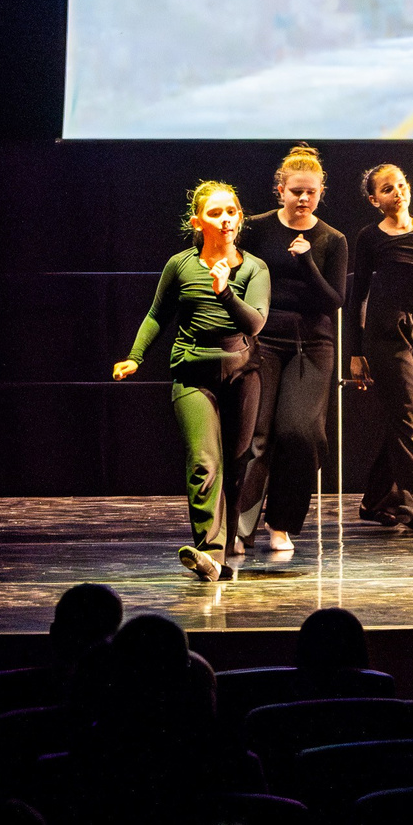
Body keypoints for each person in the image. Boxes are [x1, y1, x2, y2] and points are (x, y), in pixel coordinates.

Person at [114, 181, 270, 581]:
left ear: (240, 218)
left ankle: (226, 546)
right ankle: (210, 552)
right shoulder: (180, 265)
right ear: (198, 222)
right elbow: (157, 314)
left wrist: (225, 292)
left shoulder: (254, 268)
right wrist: (135, 357)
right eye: (215, 213)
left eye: (231, 211)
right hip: (192, 372)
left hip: (242, 373)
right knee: (205, 462)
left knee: (236, 465)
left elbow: (255, 323)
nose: (226, 219)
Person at [236, 144, 346, 552]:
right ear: (280, 190)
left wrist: (307, 262)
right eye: (296, 191)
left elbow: (334, 301)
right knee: (258, 436)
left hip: (312, 347)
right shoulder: (257, 229)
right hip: (263, 341)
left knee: (299, 433)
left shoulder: (332, 239)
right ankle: (240, 528)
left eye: (311, 192)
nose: (303, 199)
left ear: (321, 193)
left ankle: (281, 522)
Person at [345, 164, 413, 532]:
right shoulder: (369, 237)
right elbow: (358, 295)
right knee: (409, 416)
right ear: (375, 200)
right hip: (386, 331)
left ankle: (376, 498)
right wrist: (356, 351)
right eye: (388, 189)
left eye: (402, 185)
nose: (398, 192)